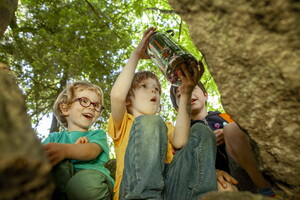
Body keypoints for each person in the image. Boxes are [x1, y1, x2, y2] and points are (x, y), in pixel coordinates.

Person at [108, 27, 236, 200]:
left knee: (201, 132)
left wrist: (186, 93)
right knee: (150, 122)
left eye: (157, 89)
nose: (153, 92)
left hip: (171, 190)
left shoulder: (164, 126)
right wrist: (136, 55)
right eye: (144, 87)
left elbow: (180, 140)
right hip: (134, 189)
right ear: (128, 100)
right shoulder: (123, 123)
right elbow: (116, 96)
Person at [170, 80, 277, 197]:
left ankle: (269, 191)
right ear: (177, 108)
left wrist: (227, 134)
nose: (188, 93)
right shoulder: (181, 134)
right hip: (221, 182)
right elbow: (183, 164)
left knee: (232, 129)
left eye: (193, 88)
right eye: (181, 94)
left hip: (248, 173)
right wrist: (211, 172)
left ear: (206, 95)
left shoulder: (225, 117)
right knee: (223, 188)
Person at [43, 81, 114, 200]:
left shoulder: (97, 134)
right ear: (65, 108)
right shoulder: (54, 138)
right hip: (60, 187)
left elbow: (91, 151)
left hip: (89, 182)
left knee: (84, 184)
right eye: (84, 101)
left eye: (96, 105)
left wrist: (66, 151)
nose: (91, 107)